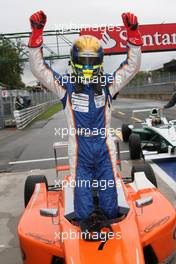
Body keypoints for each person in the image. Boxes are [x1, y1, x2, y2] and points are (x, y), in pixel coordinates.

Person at [28, 11, 142, 221]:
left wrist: (133, 35)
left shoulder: (108, 84)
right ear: (74, 61)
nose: (88, 66)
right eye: (83, 60)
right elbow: (38, 69)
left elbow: (132, 67)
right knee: (82, 206)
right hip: (79, 154)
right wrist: (36, 35)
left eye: (92, 61)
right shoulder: (66, 87)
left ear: (99, 61)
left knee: (110, 202)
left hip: (105, 152)